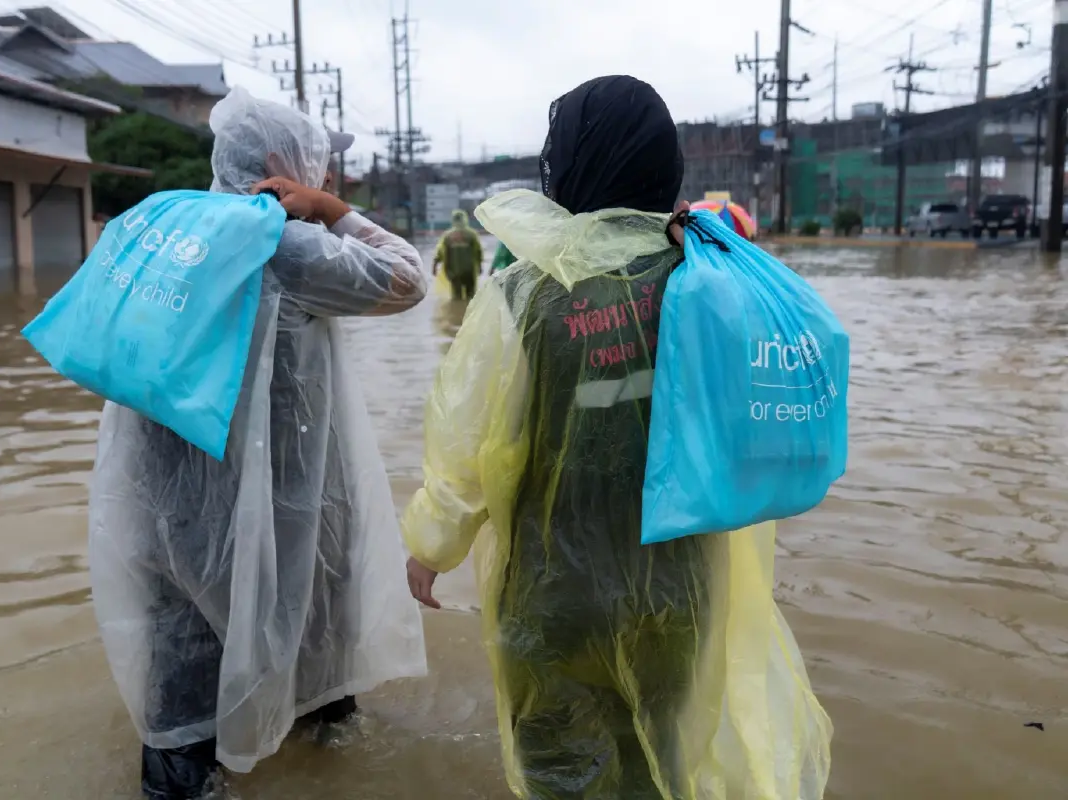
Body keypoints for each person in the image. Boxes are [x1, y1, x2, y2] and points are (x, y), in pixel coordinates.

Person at [401, 76, 832, 799]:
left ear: (564, 168)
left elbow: (467, 455)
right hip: (680, 591)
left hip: (550, 596)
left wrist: (428, 548)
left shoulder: (521, 295)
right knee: (658, 764)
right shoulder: (706, 278)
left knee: (559, 771)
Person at [88, 86, 428, 800]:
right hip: (282, 505)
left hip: (167, 509)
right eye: (316, 166)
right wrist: (332, 212)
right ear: (281, 163)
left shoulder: (165, 231)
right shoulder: (285, 240)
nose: (324, 178)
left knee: (182, 696)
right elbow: (406, 278)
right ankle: (321, 765)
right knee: (313, 656)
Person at [432, 209, 483, 300]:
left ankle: (457, 311)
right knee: (471, 297)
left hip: (453, 271)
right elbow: (478, 251)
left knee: (456, 297)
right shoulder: (471, 234)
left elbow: (440, 252)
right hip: (469, 270)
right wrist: (480, 266)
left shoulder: (448, 235)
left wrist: (434, 265)